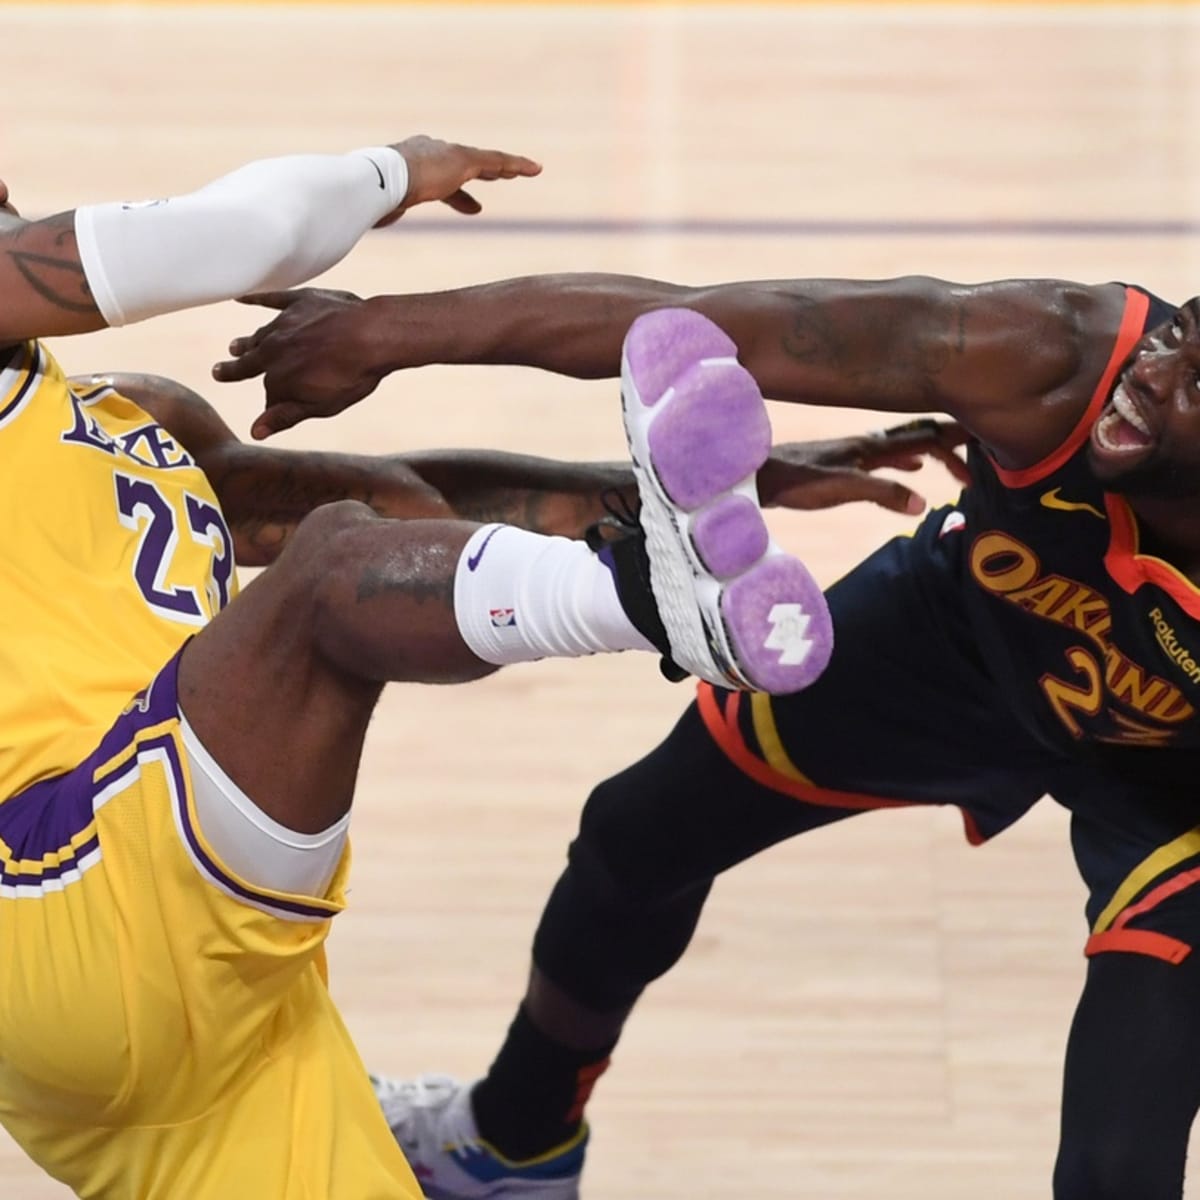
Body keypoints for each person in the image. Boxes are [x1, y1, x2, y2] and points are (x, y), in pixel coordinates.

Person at [0, 138, 928, 1198]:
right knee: (321, 588)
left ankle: (656, 583)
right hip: (55, 878)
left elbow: (415, 510)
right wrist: (393, 169)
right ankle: (656, 605)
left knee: (352, 557)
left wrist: (692, 491)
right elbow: (250, 234)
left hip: (198, 1020)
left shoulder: (131, 418)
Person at [218, 271, 1200, 1200]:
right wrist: (384, 330)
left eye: (1196, 383)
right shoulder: (1056, 355)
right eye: (1175, 334)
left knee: (1119, 1160)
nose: (1152, 373)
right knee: (635, 838)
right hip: (957, 643)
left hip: (1174, 793)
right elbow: (702, 325)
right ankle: (514, 1144)